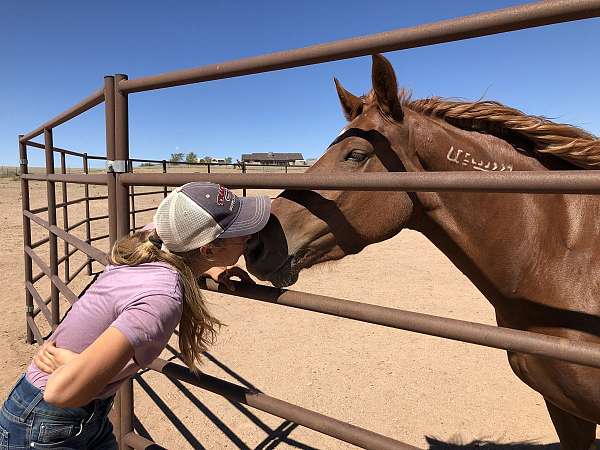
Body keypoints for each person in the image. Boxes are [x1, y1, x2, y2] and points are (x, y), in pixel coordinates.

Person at [0, 182, 270, 449]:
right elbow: (60, 392)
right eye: (241, 232)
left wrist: (208, 267)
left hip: (75, 414)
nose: (249, 237)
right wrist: (74, 363)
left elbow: (179, 247)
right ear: (207, 249)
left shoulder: (157, 240)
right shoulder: (161, 299)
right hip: (46, 420)